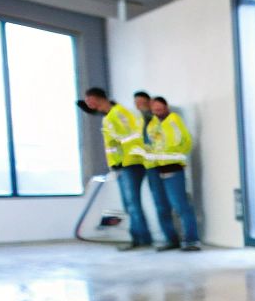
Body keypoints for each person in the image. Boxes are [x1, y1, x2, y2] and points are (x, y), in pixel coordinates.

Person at [80, 86, 152, 250]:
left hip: (130, 163)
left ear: (96, 98)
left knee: (132, 203)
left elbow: (133, 136)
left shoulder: (118, 113)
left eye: (89, 100)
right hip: (122, 165)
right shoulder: (109, 116)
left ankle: (141, 239)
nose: (88, 104)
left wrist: (124, 159)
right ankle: (139, 237)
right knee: (129, 204)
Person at [143, 96, 200, 251]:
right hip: (155, 169)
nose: (157, 111)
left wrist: (176, 158)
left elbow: (186, 142)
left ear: (166, 107)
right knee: (161, 207)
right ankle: (171, 239)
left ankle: (191, 240)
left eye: (160, 108)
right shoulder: (152, 124)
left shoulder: (174, 120)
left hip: (173, 169)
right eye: (155, 109)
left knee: (180, 205)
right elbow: (153, 144)